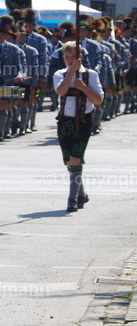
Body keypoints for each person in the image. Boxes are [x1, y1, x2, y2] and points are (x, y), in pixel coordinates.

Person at [52, 40, 103, 212]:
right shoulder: (59, 73)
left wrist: (84, 88)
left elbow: (98, 100)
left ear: (79, 58)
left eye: (73, 57)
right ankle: (82, 194)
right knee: (69, 162)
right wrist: (70, 73)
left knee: (76, 158)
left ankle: (71, 200)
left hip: (83, 120)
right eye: (67, 56)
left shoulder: (91, 75)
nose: (69, 60)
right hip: (64, 121)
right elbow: (61, 91)